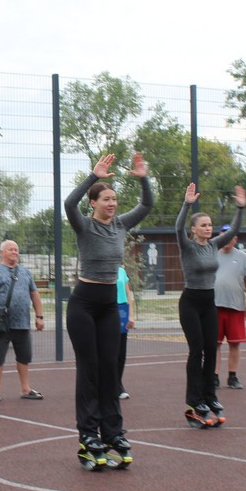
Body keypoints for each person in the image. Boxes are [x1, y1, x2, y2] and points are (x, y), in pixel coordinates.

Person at [64, 152, 152, 469]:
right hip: (84, 305)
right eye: (106, 199)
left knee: (109, 371)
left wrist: (143, 178)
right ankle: (88, 436)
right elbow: (68, 204)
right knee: (89, 370)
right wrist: (93, 176)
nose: (112, 203)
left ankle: (113, 433)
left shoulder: (121, 225)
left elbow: (146, 205)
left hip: (108, 306)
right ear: (94, 203)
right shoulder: (84, 226)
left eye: (114, 199)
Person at [176, 183, 246, 428]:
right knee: (196, 351)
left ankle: (209, 397)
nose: (208, 228)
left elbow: (234, 229)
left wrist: (240, 208)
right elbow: (178, 228)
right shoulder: (187, 246)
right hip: (190, 302)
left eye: (210, 225)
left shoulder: (214, 245)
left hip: (209, 303)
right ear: (194, 229)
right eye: (203, 225)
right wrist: (186, 204)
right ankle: (194, 401)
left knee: (211, 350)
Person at [0, 240, 44, 401]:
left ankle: (25, 389)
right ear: (2, 252)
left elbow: (34, 294)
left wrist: (39, 316)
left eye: (16, 249)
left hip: (22, 322)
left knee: (24, 357)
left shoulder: (25, 272)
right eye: (10, 249)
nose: (14, 252)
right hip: (1, 322)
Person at [214, 224, 246, 390]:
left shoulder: (243, 257)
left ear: (235, 239)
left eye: (230, 236)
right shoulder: (212, 254)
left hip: (235, 306)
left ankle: (232, 376)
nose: (226, 239)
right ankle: (214, 376)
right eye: (223, 235)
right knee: (214, 344)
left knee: (235, 343)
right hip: (214, 306)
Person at [116, 266, 135, 400]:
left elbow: (129, 295)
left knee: (121, 352)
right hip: (109, 310)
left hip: (122, 312)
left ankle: (118, 385)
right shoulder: (103, 270)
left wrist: (130, 315)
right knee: (110, 351)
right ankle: (109, 385)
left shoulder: (122, 271)